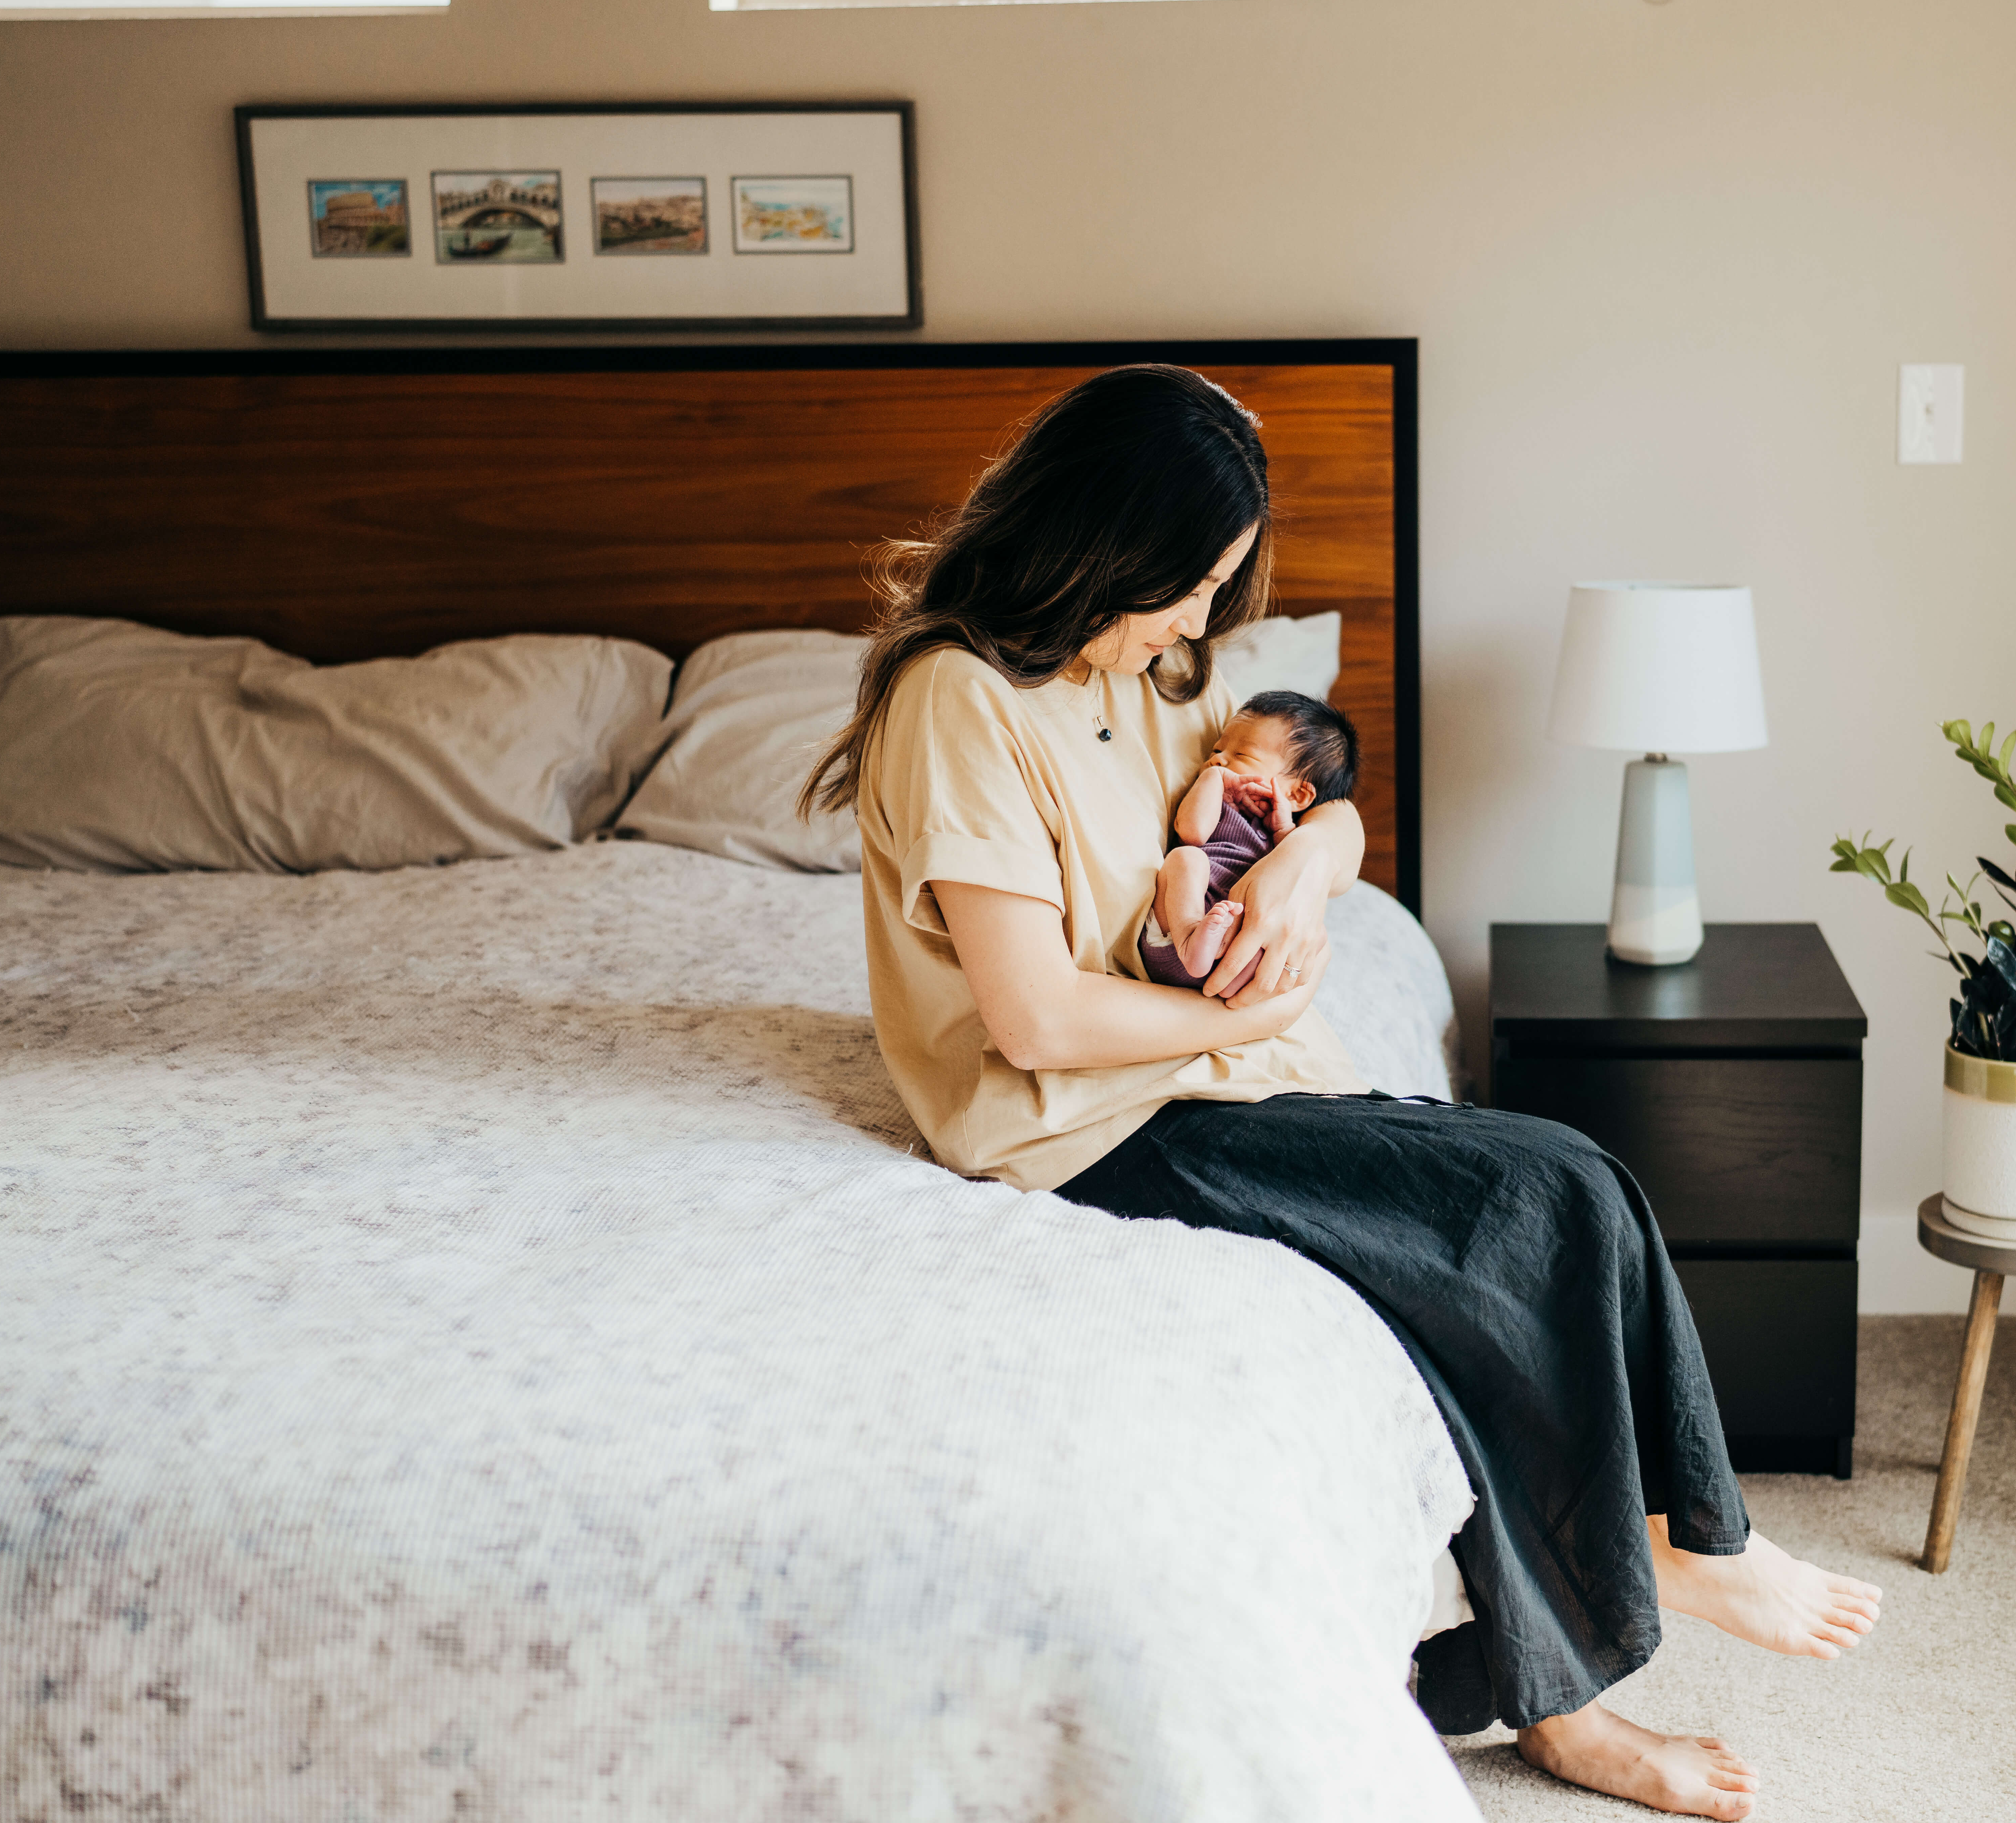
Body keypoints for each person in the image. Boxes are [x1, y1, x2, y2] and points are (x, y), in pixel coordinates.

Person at [800, 365, 1881, 1820]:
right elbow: (1035, 1015)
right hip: (1088, 1124)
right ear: (1099, 544)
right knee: (1539, 1190)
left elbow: (1315, 791)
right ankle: (1665, 1568)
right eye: (1184, 586)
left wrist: (1312, 863)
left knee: (1546, 1208)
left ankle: (1621, 1615)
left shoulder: (1140, 669)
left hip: (1205, 1070)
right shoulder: (960, 698)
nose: (1197, 624)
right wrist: (1231, 1000)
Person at [1139, 690, 1358, 991]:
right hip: (1175, 941)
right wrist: (1212, 780)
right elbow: (1193, 833)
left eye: (1241, 756)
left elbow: (1291, 866)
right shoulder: (1219, 801)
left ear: (1297, 795)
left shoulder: (1292, 834)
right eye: (1217, 751)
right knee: (1186, 859)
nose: (1218, 760)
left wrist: (1283, 828)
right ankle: (1193, 935)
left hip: (1246, 949)